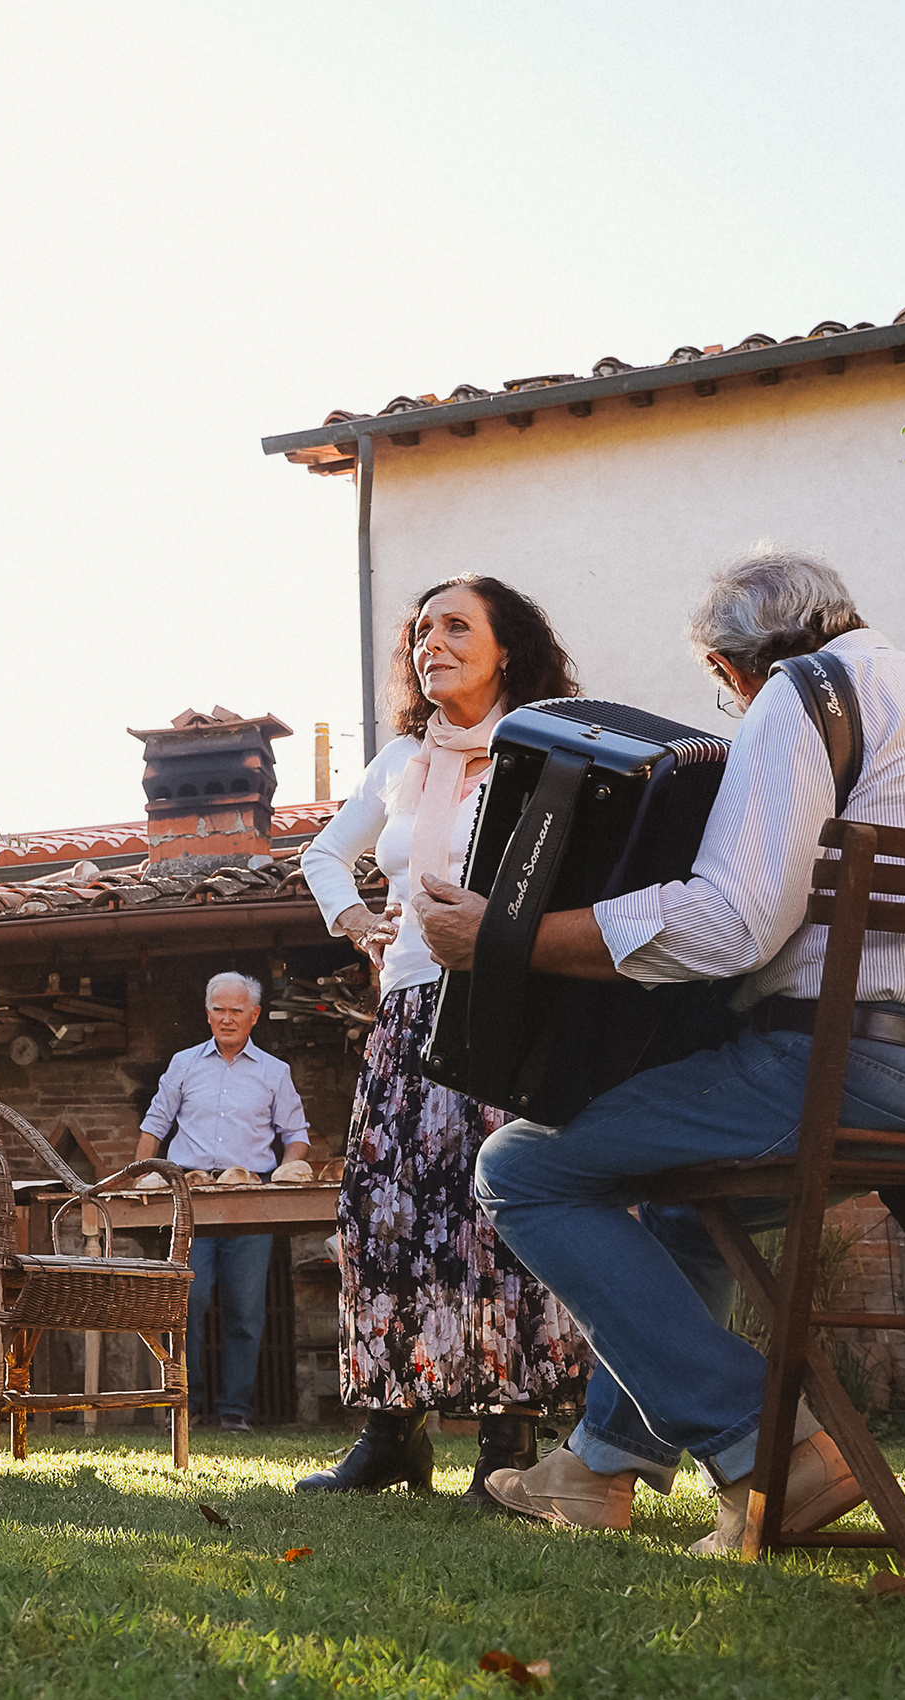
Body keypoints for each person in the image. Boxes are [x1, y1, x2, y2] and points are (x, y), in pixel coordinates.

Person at [424, 549, 905, 1553]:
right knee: (679, 1201)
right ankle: (600, 1464)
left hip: (867, 1073)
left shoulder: (797, 698)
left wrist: (506, 939)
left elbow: (729, 924)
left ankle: (767, 1447)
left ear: (729, 670)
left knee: (522, 1168)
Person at [295, 574, 590, 1499]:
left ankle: (510, 1444)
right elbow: (322, 852)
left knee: (495, 1220)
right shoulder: (400, 763)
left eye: (457, 627)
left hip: (510, 1011)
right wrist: (355, 920)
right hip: (411, 1014)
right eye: (422, 631)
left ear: (508, 648)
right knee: (392, 1218)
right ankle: (392, 1434)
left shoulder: (547, 751)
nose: (432, 643)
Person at [131, 973, 312, 1434]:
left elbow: (296, 1138)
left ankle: (235, 1412)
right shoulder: (184, 1063)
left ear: (254, 1015)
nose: (226, 1018)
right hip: (189, 1196)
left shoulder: (274, 1072)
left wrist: (287, 1177)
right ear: (207, 1012)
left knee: (246, 1309)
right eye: (218, 1009)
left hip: (250, 1196)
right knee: (186, 1302)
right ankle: (182, 1407)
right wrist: (139, 1174)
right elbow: (155, 1123)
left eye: (236, 1010)